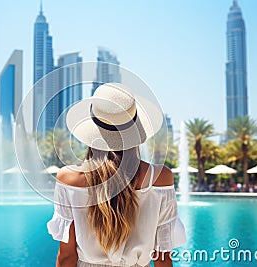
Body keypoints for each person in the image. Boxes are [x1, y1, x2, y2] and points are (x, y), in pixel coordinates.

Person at [47, 83, 186, 266]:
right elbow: (162, 258)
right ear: (135, 130)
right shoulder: (160, 177)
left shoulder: (69, 179)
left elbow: (66, 256)